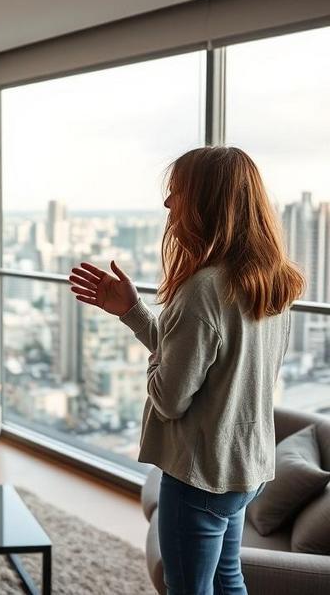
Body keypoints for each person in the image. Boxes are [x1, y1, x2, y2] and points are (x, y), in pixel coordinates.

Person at [69, 146, 304, 595]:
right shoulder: (272, 281)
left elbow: (169, 399)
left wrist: (154, 367)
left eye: (176, 191)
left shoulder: (202, 290)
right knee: (228, 579)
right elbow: (207, 361)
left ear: (204, 202)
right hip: (245, 468)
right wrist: (134, 312)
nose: (167, 203)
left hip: (201, 477)